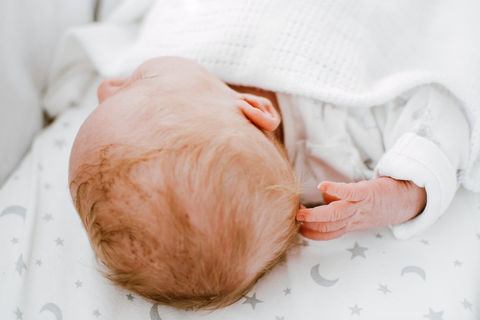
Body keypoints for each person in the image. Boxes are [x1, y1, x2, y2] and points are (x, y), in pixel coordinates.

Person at [68, 56, 469, 310]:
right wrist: (399, 192)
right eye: (139, 80)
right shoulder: (336, 153)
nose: (106, 86)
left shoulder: (204, 86)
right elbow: (442, 110)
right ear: (256, 110)